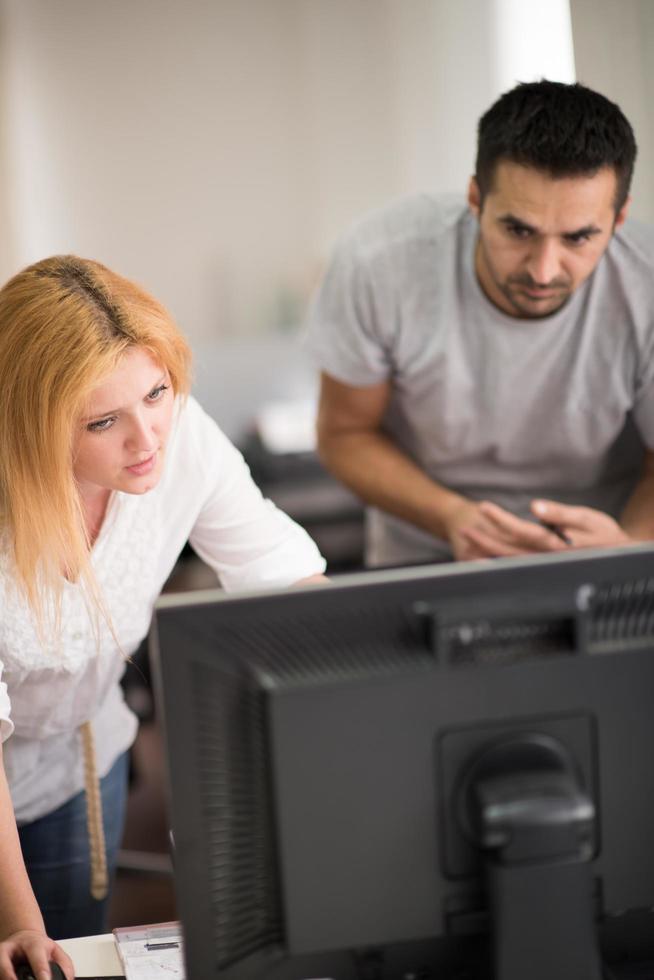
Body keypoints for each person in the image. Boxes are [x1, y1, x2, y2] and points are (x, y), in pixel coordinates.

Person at [0, 255, 327, 978]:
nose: (147, 440)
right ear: (32, 425)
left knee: (69, 953)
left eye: (157, 392)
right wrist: (19, 921)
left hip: (78, 764)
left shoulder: (181, 439)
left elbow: (287, 581)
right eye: (102, 421)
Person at [305, 80, 654, 567]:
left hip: (607, 554)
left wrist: (631, 548)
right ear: (475, 199)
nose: (543, 269)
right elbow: (344, 435)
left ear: (618, 220)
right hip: (428, 554)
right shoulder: (378, 262)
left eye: (578, 238)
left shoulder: (647, 283)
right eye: (518, 230)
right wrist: (450, 517)